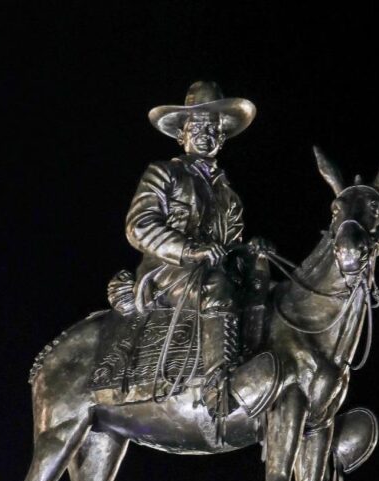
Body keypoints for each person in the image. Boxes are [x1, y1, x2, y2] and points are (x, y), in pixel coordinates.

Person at [108, 81, 279, 418]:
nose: (205, 133)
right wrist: (190, 250)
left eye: (213, 127)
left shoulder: (229, 196)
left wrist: (251, 253)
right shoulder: (163, 173)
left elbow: (230, 250)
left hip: (212, 270)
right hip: (167, 273)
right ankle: (219, 389)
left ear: (222, 137)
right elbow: (139, 225)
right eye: (197, 126)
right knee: (217, 287)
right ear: (181, 135)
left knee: (264, 288)